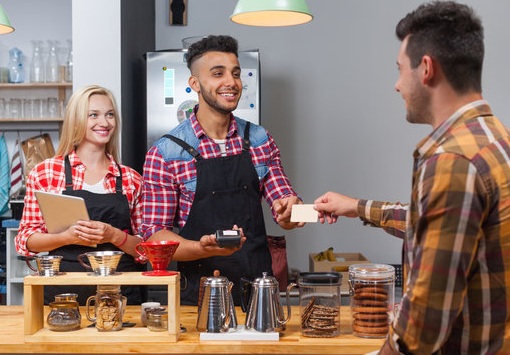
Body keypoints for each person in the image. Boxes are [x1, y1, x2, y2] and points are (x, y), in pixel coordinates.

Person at [314, 1, 510, 355]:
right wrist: (357, 207)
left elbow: (423, 324)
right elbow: (448, 228)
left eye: (399, 69)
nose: (396, 85)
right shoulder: (502, 139)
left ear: (426, 69)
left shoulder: (452, 161)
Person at [141, 35, 304, 305]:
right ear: (195, 83)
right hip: (200, 293)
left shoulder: (260, 139)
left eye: (236, 73)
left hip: (259, 293)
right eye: (218, 73)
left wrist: (292, 210)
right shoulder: (166, 153)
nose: (231, 82)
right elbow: (154, 236)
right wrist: (200, 248)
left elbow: (284, 208)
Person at [16, 85, 146, 304]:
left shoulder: (132, 179)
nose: (104, 123)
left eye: (110, 115)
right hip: (64, 295)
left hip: (121, 295)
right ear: (75, 121)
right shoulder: (46, 172)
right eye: (93, 115)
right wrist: (66, 237)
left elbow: (144, 250)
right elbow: (25, 241)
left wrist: (113, 235)